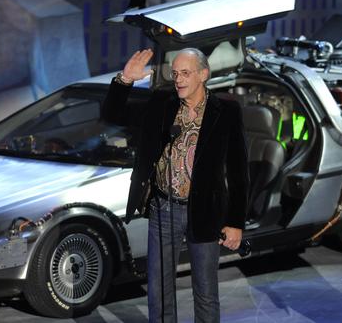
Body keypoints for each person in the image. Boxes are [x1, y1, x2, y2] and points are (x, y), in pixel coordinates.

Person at [103, 48, 249, 323]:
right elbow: (113, 114)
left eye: (186, 73)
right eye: (175, 74)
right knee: (158, 292)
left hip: (204, 211)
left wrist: (235, 222)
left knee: (205, 292)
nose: (179, 79)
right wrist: (125, 79)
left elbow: (239, 170)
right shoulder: (162, 103)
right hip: (164, 209)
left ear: (204, 74)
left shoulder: (226, 111)